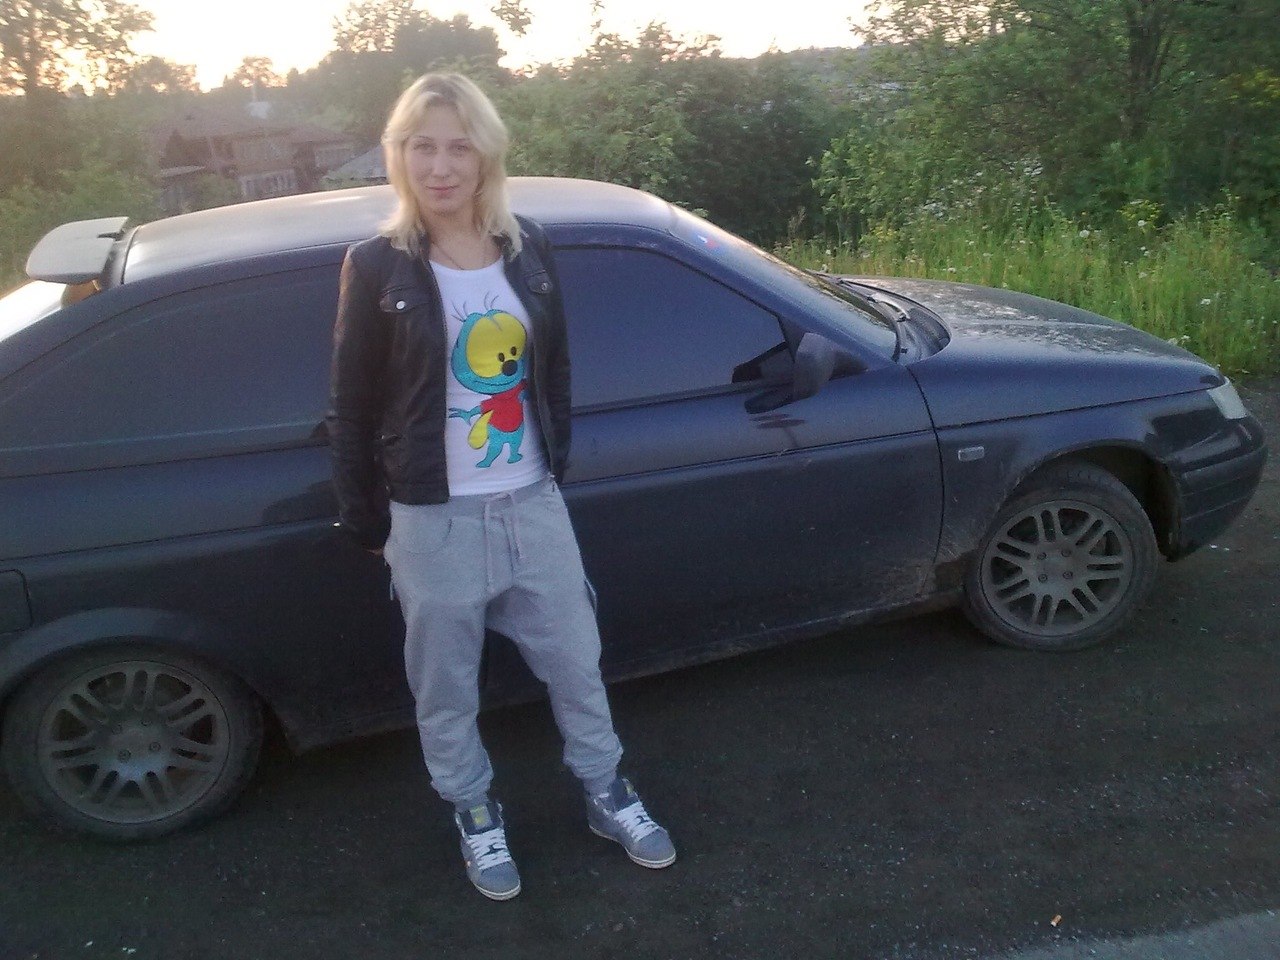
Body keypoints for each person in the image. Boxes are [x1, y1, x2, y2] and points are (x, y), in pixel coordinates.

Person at [326, 73, 675, 901]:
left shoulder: (529, 247)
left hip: (531, 501)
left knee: (577, 662)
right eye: (422, 146)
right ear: (399, 156)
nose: (441, 166)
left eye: (459, 146)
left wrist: (553, 469)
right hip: (433, 517)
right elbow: (350, 404)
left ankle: (605, 789)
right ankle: (474, 810)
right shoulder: (375, 266)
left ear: (486, 156)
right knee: (445, 687)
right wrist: (369, 522)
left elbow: (553, 370)